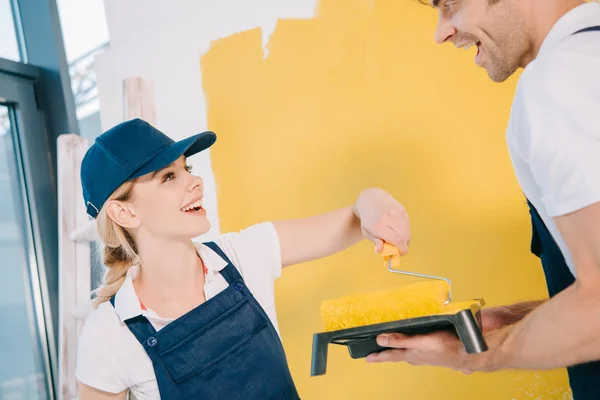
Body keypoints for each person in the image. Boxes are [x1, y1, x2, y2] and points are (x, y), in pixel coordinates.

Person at [75, 118, 412, 399]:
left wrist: (377, 204)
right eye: (168, 177)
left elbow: (356, 217)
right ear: (124, 212)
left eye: (186, 168)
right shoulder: (108, 334)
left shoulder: (242, 255)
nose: (196, 181)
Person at [366, 0, 600, 398]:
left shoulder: (556, 85)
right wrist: (512, 321)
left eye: (451, 6)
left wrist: (468, 353)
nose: (442, 32)